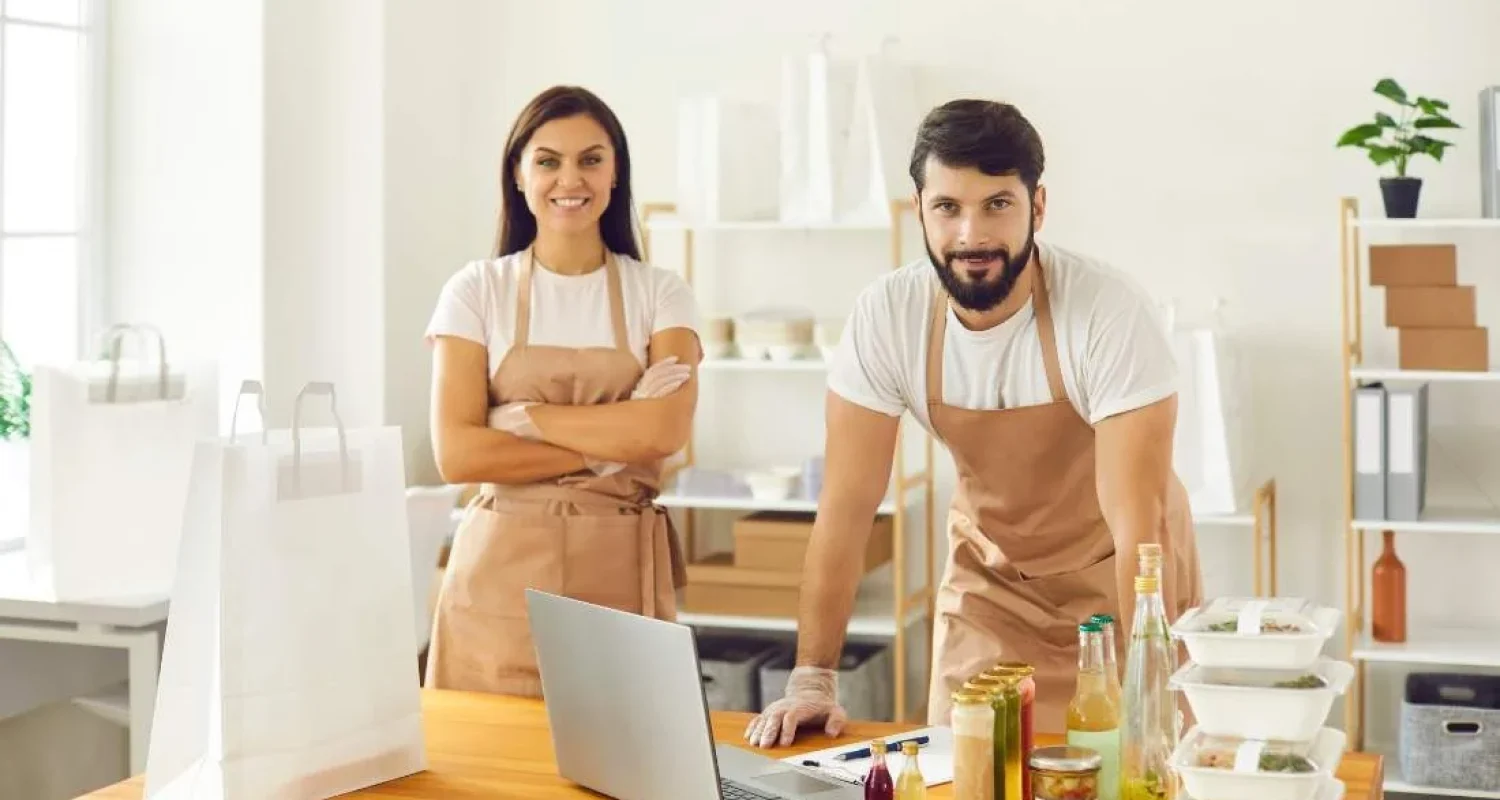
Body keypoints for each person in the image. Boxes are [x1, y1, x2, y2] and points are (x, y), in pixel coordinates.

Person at [744, 99, 1202, 746]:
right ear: (919, 210)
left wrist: (1151, 686)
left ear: (1036, 207)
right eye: (948, 207)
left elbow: (1141, 526)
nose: (971, 234)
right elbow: (846, 508)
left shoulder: (1106, 311)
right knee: (966, 769)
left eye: (997, 204)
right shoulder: (888, 316)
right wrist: (813, 676)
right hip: (991, 581)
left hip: (1122, 590)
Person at [423, 85, 701, 696]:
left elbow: (663, 433)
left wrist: (523, 418)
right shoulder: (476, 291)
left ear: (615, 173)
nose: (568, 178)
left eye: (590, 159)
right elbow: (459, 455)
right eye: (547, 160)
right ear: (519, 175)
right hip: (498, 585)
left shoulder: (661, 293)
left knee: (621, 780)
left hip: (619, 581)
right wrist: (608, 444)